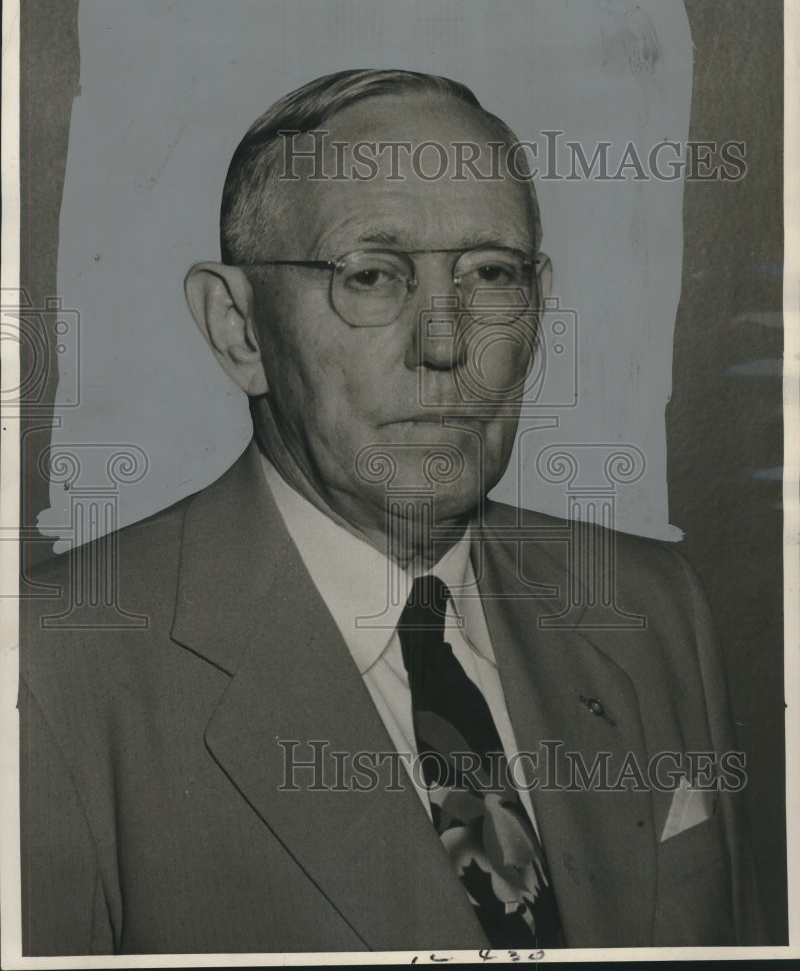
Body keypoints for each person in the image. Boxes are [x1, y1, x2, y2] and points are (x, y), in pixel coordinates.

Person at [19, 69, 765, 956]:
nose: (446, 343)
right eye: (371, 276)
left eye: (490, 273)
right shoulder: (54, 665)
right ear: (239, 329)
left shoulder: (653, 604)